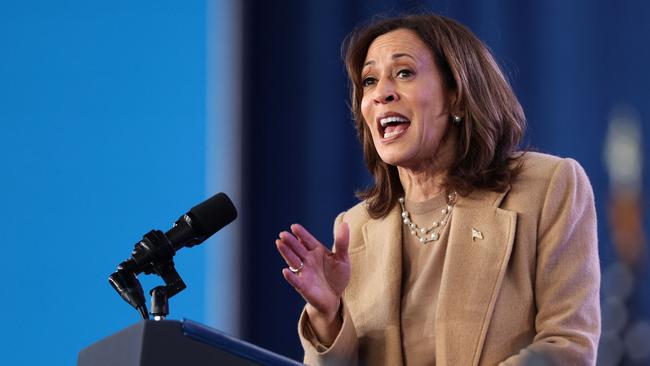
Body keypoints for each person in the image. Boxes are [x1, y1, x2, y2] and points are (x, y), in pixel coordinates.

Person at [275, 13, 600, 366]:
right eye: (369, 81)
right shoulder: (355, 230)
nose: (381, 93)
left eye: (403, 73)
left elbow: (568, 347)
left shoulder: (548, 187)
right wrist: (328, 316)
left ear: (457, 96)